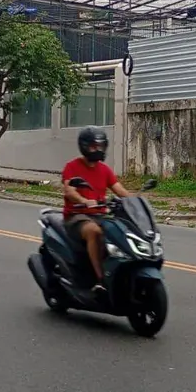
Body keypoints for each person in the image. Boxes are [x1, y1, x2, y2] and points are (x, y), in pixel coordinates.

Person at [62, 126, 130, 294]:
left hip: (100, 215)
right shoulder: (72, 166)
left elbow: (119, 189)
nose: (98, 149)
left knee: (120, 233)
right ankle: (101, 280)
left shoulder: (105, 170)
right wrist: (84, 201)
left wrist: (136, 200)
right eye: (93, 146)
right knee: (94, 232)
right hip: (77, 216)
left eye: (101, 146)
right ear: (84, 146)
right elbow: (69, 190)